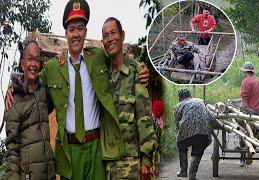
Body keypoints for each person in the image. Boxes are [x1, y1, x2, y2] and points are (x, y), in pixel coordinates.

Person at [5, 0, 150, 179]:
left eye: (80, 28)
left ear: (86, 32)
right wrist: (12, 86)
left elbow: (119, 56)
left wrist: (141, 67)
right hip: (69, 150)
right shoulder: (52, 68)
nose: (76, 34)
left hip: (97, 147)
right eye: (71, 29)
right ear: (66, 33)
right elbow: (30, 80)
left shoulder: (97, 57)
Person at [101, 17, 157, 179]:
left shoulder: (136, 71)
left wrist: (146, 160)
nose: (110, 39)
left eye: (113, 33)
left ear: (122, 35)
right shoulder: (104, 74)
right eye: (105, 36)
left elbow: (144, 117)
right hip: (110, 162)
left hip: (132, 161)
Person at [5, 40, 55, 180]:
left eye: (37, 60)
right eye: (30, 59)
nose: (33, 64)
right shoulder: (13, 100)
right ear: (22, 64)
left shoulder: (44, 93)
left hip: (48, 174)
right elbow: (12, 149)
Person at [173, 89, 213, 180]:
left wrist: (180, 135)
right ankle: (192, 175)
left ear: (180, 98)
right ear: (190, 95)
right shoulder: (200, 101)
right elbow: (210, 117)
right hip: (203, 132)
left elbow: (177, 123)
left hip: (185, 131)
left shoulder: (178, 106)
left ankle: (183, 171)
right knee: (198, 152)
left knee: (181, 146)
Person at [239, 61, 259, 167]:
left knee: (242, 131)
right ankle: (253, 147)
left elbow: (244, 98)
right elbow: (253, 96)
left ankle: (243, 158)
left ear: (245, 72)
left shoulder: (246, 81)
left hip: (252, 113)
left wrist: (243, 110)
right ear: (252, 71)